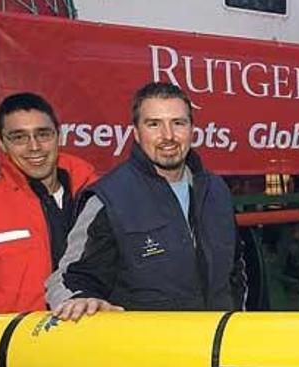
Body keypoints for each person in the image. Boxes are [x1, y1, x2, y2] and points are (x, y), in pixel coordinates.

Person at [46, 82, 240, 320]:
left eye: (178, 123)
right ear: (136, 133)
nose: (168, 136)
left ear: (192, 130)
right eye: (154, 124)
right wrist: (78, 299)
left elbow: (237, 272)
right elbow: (68, 279)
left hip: (215, 345)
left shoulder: (216, 190)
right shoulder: (108, 198)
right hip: (151, 352)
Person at [0, 92, 97, 314]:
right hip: (20, 345)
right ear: (2, 143)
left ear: (58, 135)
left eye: (43, 134)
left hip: (97, 338)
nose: (34, 147)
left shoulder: (97, 197)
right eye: (19, 137)